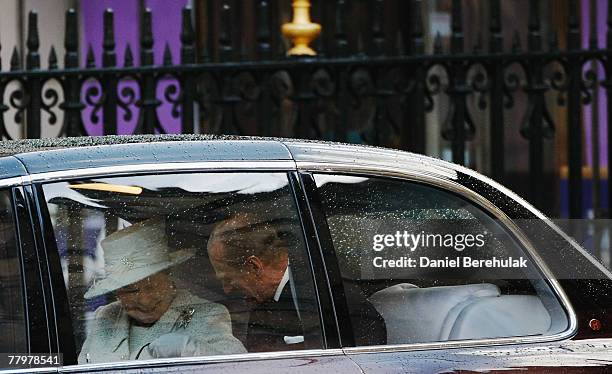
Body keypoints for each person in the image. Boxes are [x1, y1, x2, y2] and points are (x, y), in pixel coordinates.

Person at [207, 213, 387, 352]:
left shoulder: (327, 290)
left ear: (254, 266)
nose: (227, 289)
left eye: (229, 279)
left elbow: (366, 349)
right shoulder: (261, 301)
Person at [78, 218, 246, 364]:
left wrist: (190, 349)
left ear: (168, 278)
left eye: (152, 286)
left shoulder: (207, 315)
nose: (144, 300)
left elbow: (240, 368)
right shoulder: (106, 316)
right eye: (130, 291)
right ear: (117, 292)